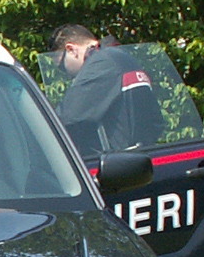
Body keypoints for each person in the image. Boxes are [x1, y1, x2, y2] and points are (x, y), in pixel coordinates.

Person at [49, 24, 164, 157]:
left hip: (118, 164)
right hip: (142, 156)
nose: (66, 73)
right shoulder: (123, 57)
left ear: (71, 50)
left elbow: (67, 117)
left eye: (61, 66)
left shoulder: (101, 63)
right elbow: (156, 122)